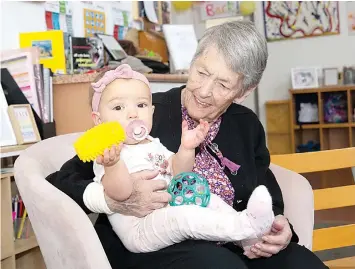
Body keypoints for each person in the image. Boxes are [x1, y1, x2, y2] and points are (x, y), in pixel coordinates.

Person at [47, 21, 328, 269]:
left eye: (223, 84)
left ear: (244, 91)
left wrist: (281, 227)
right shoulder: (142, 114)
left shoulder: (246, 124)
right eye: (202, 73)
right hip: (157, 245)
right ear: (191, 63)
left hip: (236, 241)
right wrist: (115, 199)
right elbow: (62, 179)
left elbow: (265, 187)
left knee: (301, 263)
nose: (204, 91)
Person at [84, 63, 275, 255]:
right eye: (118, 107)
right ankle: (246, 226)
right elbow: (120, 194)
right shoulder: (107, 154)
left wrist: (186, 148)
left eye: (141, 105)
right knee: (185, 216)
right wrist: (113, 164)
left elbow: (179, 173)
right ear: (99, 120)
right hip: (140, 229)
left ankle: (249, 241)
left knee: (210, 200)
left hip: (169, 210)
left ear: (151, 112)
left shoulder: (152, 143)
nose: (133, 113)